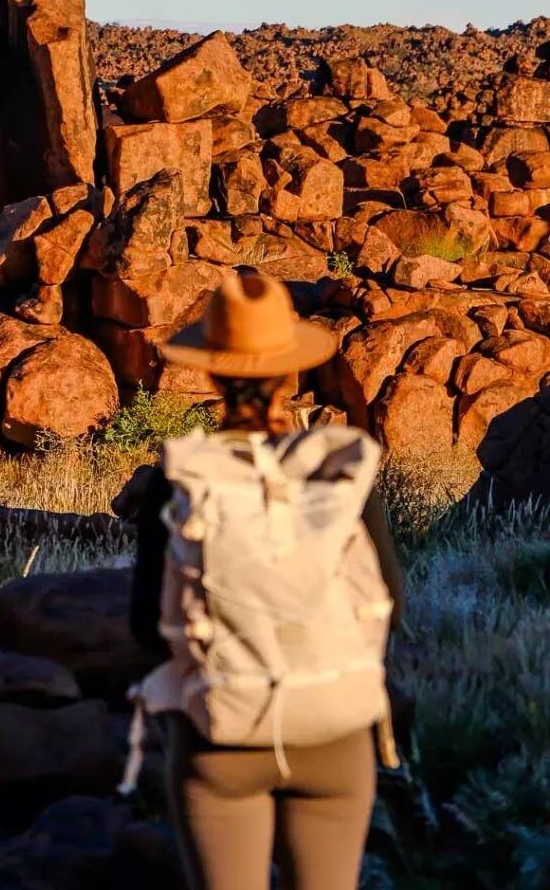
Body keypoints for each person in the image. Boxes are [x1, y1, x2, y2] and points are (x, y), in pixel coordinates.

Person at [128, 271, 403, 890]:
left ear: (211, 371)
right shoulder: (338, 471)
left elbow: (148, 628)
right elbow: (390, 606)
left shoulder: (184, 478)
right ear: (291, 369)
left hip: (223, 732)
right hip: (333, 731)